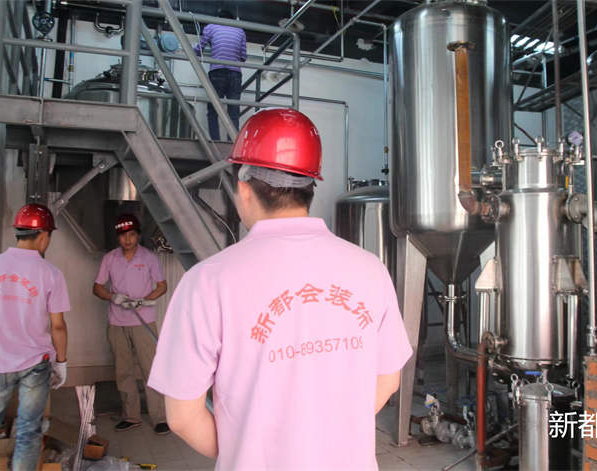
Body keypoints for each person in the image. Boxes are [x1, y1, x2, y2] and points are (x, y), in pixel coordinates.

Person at [148, 108, 413, 469]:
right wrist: (327, 442)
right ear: (310, 188)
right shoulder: (371, 270)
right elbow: (388, 380)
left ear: (244, 190)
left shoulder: (207, 281)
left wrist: (246, 452)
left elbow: (181, 417)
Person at [0, 204, 69, 471]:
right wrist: (62, 363)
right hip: (36, 364)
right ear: (43, 236)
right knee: (29, 431)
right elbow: (58, 326)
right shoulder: (51, 273)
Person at [92, 214, 169, 435]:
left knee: (150, 369)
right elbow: (97, 287)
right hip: (117, 322)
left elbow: (162, 286)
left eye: (132, 235)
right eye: (123, 235)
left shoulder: (149, 258)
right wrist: (112, 297)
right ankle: (131, 416)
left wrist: (144, 300)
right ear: (118, 237)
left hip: (144, 321)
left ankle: (160, 417)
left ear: (138, 236)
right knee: (123, 370)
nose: (127, 239)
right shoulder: (110, 258)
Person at [194, 8, 247, 141]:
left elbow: (199, 49)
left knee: (213, 109)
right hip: (235, 74)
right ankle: (232, 142)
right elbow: (243, 56)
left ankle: (216, 140)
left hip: (217, 72)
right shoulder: (240, 30)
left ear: (218, 18)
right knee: (233, 111)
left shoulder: (211, 26)